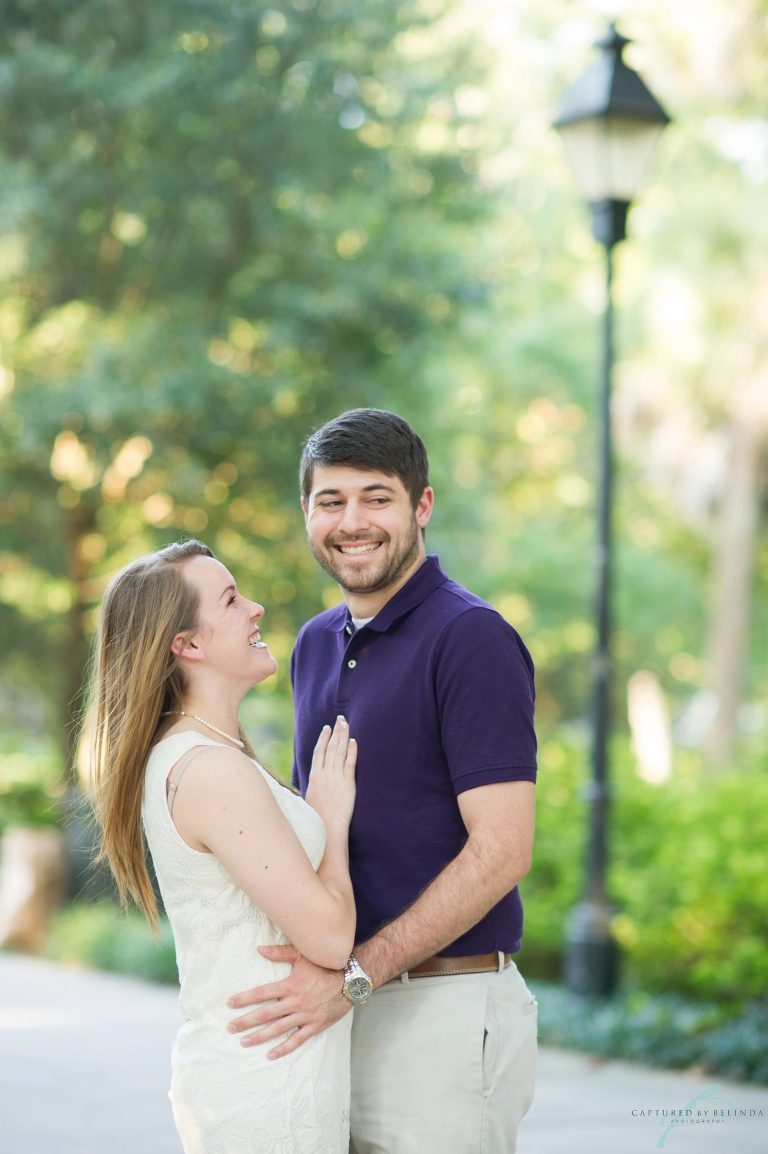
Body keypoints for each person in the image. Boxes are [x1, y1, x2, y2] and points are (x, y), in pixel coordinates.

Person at [228, 409, 538, 1154]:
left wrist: (358, 975)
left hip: (446, 1008)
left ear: (421, 506)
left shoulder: (472, 638)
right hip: (340, 1012)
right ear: (306, 512)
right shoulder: (311, 646)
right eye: (330, 500)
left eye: (377, 497)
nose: (352, 521)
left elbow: (502, 851)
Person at [86, 539, 358, 1154]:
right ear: (188, 645)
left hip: (272, 1075)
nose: (255, 608)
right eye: (232, 600)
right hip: (265, 1091)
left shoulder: (210, 755)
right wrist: (332, 821)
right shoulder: (209, 769)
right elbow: (331, 939)